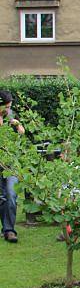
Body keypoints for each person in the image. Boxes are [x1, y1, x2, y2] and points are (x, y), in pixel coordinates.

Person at [0, 90, 25, 243]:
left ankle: (9, 231)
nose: (8, 109)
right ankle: (6, 229)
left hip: (11, 162)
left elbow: (22, 132)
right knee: (1, 197)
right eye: (6, 107)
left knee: (11, 194)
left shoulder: (11, 115)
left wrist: (17, 125)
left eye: (10, 106)